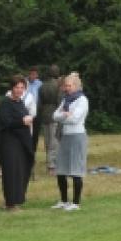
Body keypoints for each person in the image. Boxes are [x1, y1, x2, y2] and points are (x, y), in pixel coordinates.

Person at [0, 75, 34, 211]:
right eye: (17, 87)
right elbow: (6, 122)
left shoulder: (20, 102)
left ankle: (17, 200)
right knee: (11, 172)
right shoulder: (5, 103)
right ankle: (10, 203)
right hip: (8, 143)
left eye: (22, 87)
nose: (19, 90)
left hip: (20, 143)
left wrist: (27, 120)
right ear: (12, 88)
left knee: (20, 171)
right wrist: (22, 121)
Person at [52, 73, 89, 211]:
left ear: (76, 86)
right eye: (66, 86)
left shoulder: (82, 100)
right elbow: (54, 115)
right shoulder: (65, 99)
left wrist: (65, 116)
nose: (66, 88)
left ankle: (76, 202)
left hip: (77, 136)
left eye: (69, 85)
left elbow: (75, 119)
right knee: (61, 169)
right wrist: (65, 115)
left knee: (76, 170)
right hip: (65, 136)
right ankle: (63, 200)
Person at [38, 65, 62, 174]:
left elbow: (39, 103)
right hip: (54, 114)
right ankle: (52, 166)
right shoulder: (58, 85)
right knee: (54, 141)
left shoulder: (42, 86)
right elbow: (59, 101)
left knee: (47, 141)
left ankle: (49, 164)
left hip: (44, 115)